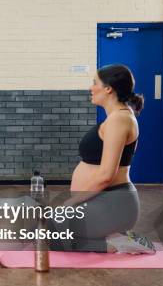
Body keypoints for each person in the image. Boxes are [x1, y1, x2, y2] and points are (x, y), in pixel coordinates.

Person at [51, 64, 155, 254]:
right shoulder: (117, 117)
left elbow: (107, 174)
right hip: (104, 202)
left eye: (94, 83)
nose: (90, 88)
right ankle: (116, 237)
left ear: (108, 88)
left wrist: (69, 204)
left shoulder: (120, 119)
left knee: (45, 233)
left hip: (113, 204)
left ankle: (119, 243)